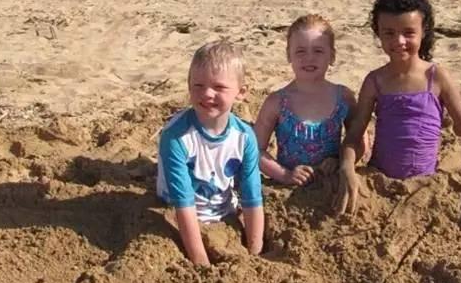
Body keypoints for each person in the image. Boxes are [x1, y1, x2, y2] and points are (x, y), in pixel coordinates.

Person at [333, 0, 461, 222]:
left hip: (426, 183)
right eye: (388, 33)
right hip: (380, 181)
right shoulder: (375, 81)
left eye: (408, 33)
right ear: (377, 32)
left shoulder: (437, 77)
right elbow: (353, 136)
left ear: (423, 31)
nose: (398, 41)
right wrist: (347, 168)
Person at [157, 40, 264, 266]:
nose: (207, 94)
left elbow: (252, 198)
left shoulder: (245, 137)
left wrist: (255, 253)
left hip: (223, 209)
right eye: (198, 86)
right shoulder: (175, 137)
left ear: (241, 92)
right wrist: (201, 263)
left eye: (219, 87)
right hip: (175, 210)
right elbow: (183, 204)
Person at [254, 14, 367, 186]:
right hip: (288, 189)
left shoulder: (343, 97)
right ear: (288, 55)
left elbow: (359, 139)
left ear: (332, 56)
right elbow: (256, 151)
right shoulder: (277, 102)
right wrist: (285, 175)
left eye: (318, 51)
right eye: (300, 51)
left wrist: (341, 162)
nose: (309, 58)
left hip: (330, 186)